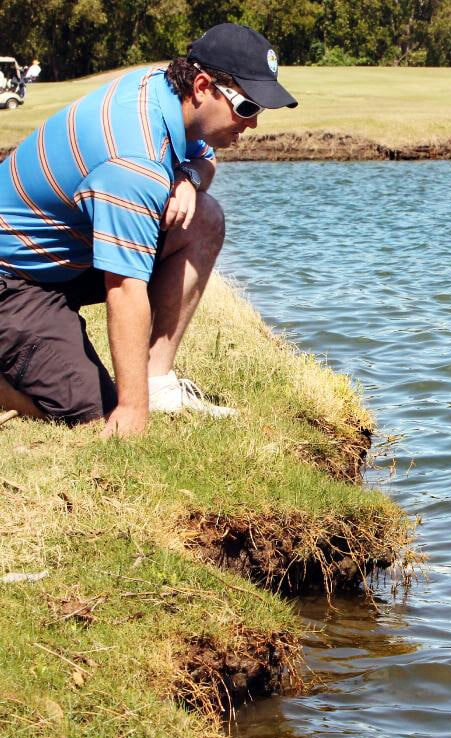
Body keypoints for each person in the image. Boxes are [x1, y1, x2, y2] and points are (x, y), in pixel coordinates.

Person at [0, 23, 297, 437]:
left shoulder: (162, 91)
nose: (253, 125)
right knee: (95, 414)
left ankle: (156, 383)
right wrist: (132, 410)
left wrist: (189, 177)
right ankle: (9, 389)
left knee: (204, 217)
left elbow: (204, 157)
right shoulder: (133, 162)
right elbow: (125, 288)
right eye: (246, 108)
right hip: (14, 283)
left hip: (68, 256)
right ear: (202, 86)